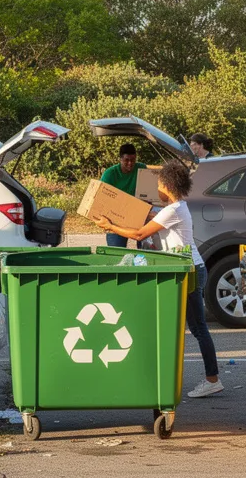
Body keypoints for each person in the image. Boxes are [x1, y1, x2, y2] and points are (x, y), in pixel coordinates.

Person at [94, 161, 223, 398]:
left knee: (198, 328)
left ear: (167, 185)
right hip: (186, 268)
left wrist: (110, 226)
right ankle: (193, 376)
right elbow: (149, 216)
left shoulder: (173, 210)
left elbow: (140, 233)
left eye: (159, 185)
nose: (157, 191)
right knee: (185, 326)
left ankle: (212, 379)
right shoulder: (176, 207)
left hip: (190, 270)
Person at [99, 143, 139, 248]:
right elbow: (101, 198)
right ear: (120, 159)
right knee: (116, 252)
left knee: (147, 250)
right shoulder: (110, 174)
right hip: (116, 219)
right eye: (126, 160)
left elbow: (154, 171)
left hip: (137, 215)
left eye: (133, 160)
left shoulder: (141, 169)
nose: (130, 163)